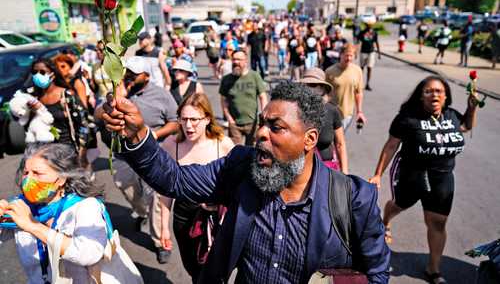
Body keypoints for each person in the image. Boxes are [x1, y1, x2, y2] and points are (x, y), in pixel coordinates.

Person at [99, 81, 390, 284]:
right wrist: (137, 135)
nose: (261, 134)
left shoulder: (353, 198)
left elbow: (376, 273)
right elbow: (175, 179)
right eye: (262, 123)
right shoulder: (241, 166)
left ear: (309, 140)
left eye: (276, 127)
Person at [369, 76, 479, 284]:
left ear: (446, 96)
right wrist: (378, 174)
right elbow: (392, 145)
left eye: (439, 91)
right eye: (429, 91)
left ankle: (433, 269)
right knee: (397, 206)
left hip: (443, 180)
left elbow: (465, 127)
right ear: (421, 96)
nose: (434, 95)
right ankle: (386, 220)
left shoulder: (451, 115)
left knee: (437, 223)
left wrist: (472, 109)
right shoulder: (407, 118)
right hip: (413, 177)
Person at [0, 143, 135, 283]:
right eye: (26, 173)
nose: (28, 180)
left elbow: (89, 253)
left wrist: (33, 225)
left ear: (61, 179)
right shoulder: (21, 208)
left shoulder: (85, 206)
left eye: (37, 173)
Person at [104, 57, 179, 264]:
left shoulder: (162, 95)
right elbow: (97, 113)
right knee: (126, 188)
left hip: (150, 156)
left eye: (133, 74)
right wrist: (117, 99)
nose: (128, 76)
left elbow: (175, 122)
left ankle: (159, 241)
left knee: (156, 198)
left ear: (146, 76)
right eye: (126, 72)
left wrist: (155, 134)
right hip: (122, 156)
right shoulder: (117, 92)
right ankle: (140, 211)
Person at [159, 93, 234, 283]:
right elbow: (166, 190)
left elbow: (238, 186)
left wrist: (220, 205)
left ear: (207, 119)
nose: (188, 126)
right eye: (183, 119)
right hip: (184, 218)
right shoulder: (171, 145)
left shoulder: (223, 145)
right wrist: (163, 227)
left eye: (194, 119)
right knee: (193, 268)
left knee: (214, 271)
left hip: (215, 218)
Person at [25, 59, 94, 166]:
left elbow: (83, 124)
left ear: (52, 73)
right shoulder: (35, 98)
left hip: (68, 152)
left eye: (42, 72)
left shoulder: (66, 95)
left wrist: (82, 153)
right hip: (46, 153)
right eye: (35, 72)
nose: (38, 75)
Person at [298, 68, 348, 173]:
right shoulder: (293, 110)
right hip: (298, 170)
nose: (309, 89)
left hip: (326, 170)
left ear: (322, 89)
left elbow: (340, 144)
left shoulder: (332, 111)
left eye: (313, 85)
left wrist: (345, 173)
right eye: (306, 85)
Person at [219, 50, 268, 146]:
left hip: (253, 123)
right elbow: (223, 100)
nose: (236, 62)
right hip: (235, 124)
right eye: (234, 59)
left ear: (245, 61)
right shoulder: (226, 79)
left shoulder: (254, 76)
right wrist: (229, 119)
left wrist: (263, 116)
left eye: (239, 59)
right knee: (235, 153)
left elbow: (263, 96)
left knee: (252, 152)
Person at [325, 43, 367, 131]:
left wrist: (359, 112)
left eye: (351, 56)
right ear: (341, 55)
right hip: (331, 113)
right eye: (346, 55)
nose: (349, 58)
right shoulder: (330, 71)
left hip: (347, 115)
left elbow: (358, 92)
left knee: (340, 140)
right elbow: (324, 93)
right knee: (333, 141)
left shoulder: (357, 71)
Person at [357, 21, 381, 91]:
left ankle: (367, 84)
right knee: (361, 69)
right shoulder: (362, 32)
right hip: (363, 52)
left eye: (371, 25)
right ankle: (359, 84)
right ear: (366, 25)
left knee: (369, 68)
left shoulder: (374, 33)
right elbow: (358, 42)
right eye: (368, 25)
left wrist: (379, 53)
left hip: (371, 52)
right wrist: (355, 51)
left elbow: (376, 42)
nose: (369, 26)